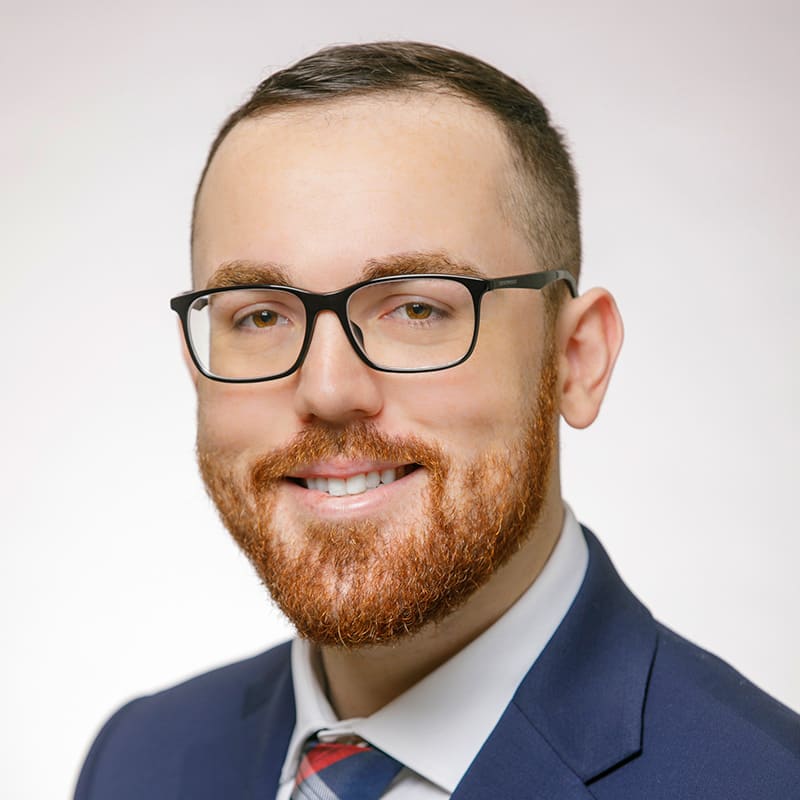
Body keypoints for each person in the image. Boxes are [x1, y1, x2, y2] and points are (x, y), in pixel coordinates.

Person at [74, 41, 800, 799]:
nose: (327, 389)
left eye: (417, 307)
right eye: (260, 316)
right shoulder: (137, 760)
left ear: (575, 359)